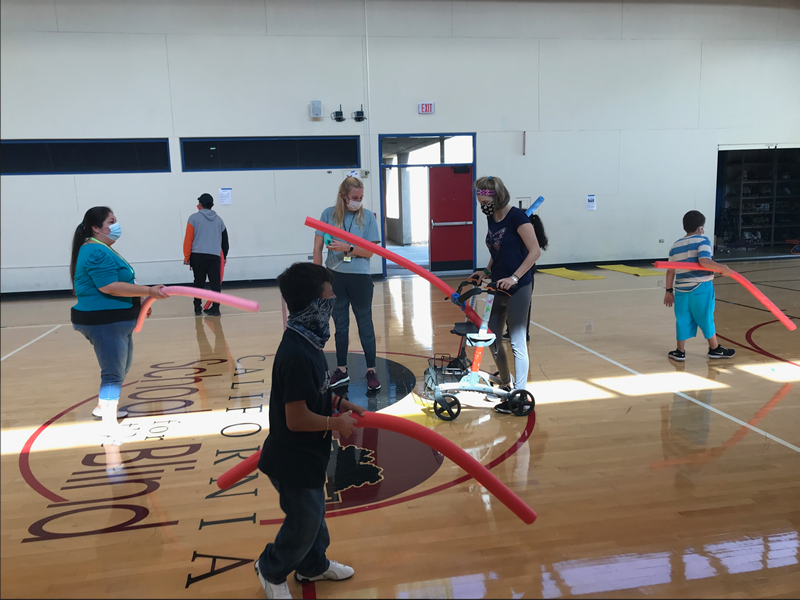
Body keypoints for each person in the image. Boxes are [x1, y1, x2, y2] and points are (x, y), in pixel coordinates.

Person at [255, 262, 362, 600]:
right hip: (292, 459)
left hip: (308, 454)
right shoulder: (297, 353)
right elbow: (296, 418)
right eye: (329, 299)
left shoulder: (308, 341)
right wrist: (335, 423)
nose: (333, 305)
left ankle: (312, 564)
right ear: (315, 306)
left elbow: (313, 394)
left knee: (313, 516)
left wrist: (337, 403)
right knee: (304, 522)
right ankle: (271, 567)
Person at [70, 206, 169, 434]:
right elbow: (109, 287)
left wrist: (140, 303)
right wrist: (148, 290)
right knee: (113, 373)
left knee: (122, 366)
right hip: (103, 321)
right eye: (111, 221)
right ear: (96, 227)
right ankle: (108, 424)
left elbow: (118, 285)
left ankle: (101, 408)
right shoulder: (95, 251)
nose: (116, 225)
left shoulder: (102, 248)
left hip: (116, 319)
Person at [470, 176, 541, 413]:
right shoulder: (492, 217)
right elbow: (497, 248)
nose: (480, 200)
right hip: (496, 285)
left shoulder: (517, 218)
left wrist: (515, 278)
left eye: (483, 196)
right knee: (492, 338)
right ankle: (506, 385)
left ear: (495, 195)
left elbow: (534, 252)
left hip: (518, 287)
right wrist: (486, 271)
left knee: (517, 342)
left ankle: (520, 395)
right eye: (478, 195)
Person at [312, 177, 382, 392]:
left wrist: (348, 247)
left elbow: (370, 251)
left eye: (361, 198)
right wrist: (319, 279)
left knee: (365, 325)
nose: (358, 201)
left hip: (360, 278)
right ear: (343, 196)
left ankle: (371, 370)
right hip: (335, 277)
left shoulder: (368, 217)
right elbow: (317, 249)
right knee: (341, 327)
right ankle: (341, 369)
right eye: (354, 197)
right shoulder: (327, 214)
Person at [664, 210, 736, 361]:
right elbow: (704, 261)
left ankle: (680, 351)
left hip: (681, 289)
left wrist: (668, 291)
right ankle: (715, 349)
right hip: (701, 288)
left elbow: (670, 271)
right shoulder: (703, 241)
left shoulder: (675, 245)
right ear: (701, 228)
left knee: (682, 318)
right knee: (705, 316)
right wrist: (722, 268)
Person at [503, 213, 549, 342]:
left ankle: (522, 333)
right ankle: (512, 332)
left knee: (522, 305)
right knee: (511, 304)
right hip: (514, 273)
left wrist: (516, 276)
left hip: (523, 275)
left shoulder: (525, 237)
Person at [183, 193, 229, 316]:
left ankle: (197, 308)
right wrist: (225, 256)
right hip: (214, 256)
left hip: (198, 256)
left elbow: (188, 240)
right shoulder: (219, 220)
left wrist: (187, 257)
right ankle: (216, 308)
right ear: (212, 205)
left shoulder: (193, 218)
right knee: (215, 283)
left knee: (198, 282)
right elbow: (225, 241)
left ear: (199, 205)